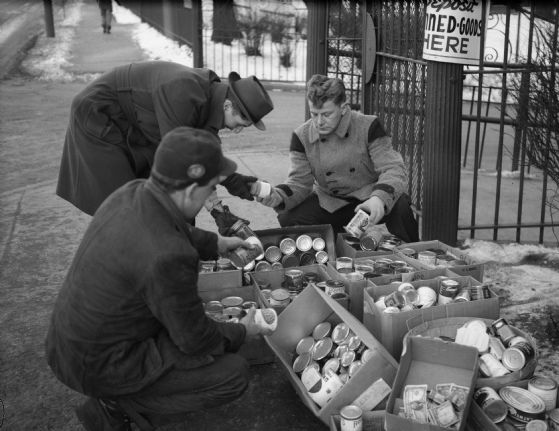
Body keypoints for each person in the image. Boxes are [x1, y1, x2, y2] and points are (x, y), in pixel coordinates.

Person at [46, 127, 273, 431]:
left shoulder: (133, 191)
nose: (210, 196)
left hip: (69, 346)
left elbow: (167, 226)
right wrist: (243, 330)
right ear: (192, 189)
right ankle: (117, 404)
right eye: (210, 188)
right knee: (233, 373)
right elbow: (195, 341)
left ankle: (120, 395)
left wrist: (216, 244)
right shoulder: (169, 256)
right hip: (101, 365)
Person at [56, 60, 273, 234]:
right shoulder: (184, 92)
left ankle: (181, 256)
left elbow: (202, 156)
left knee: (170, 201)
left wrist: (228, 191)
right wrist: (220, 203)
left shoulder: (212, 99)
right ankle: (133, 269)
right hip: (100, 114)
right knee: (127, 207)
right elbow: (181, 159)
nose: (236, 131)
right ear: (228, 106)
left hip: (133, 124)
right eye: (240, 124)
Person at [257, 74, 419, 243]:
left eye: (326, 114)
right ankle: (328, 253)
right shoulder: (302, 136)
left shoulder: (368, 126)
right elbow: (299, 182)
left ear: (343, 108)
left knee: (399, 204)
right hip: (330, 203)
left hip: (368, 200)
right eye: (314, 114)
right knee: (289, 217)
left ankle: (413, 253)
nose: (319, 122)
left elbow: (393, 168)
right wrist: (278, 196)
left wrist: (378, 198)